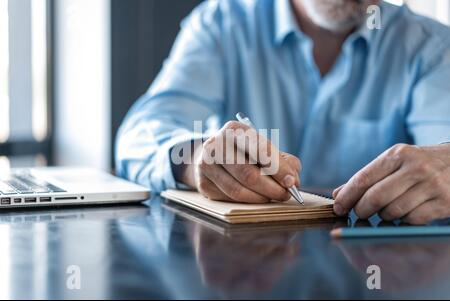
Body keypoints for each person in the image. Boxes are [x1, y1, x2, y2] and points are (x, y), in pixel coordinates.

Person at [116, 0, 450, 225]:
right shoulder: (222, 23)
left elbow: (442, 152)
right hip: (248, 274)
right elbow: (138, 138)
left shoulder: (430, 47)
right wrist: (195, 159)